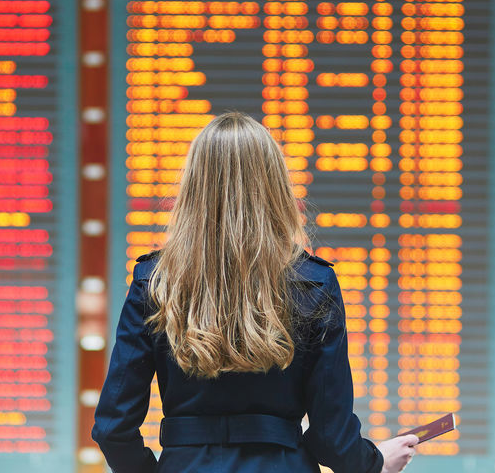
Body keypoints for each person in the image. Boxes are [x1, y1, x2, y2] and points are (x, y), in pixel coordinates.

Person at [92, 112, 418, 472]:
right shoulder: (314, 283)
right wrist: (375, 462)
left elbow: (113, 429)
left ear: (193, 186)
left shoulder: (154, 282)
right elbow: (331, 437)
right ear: (275, 184)